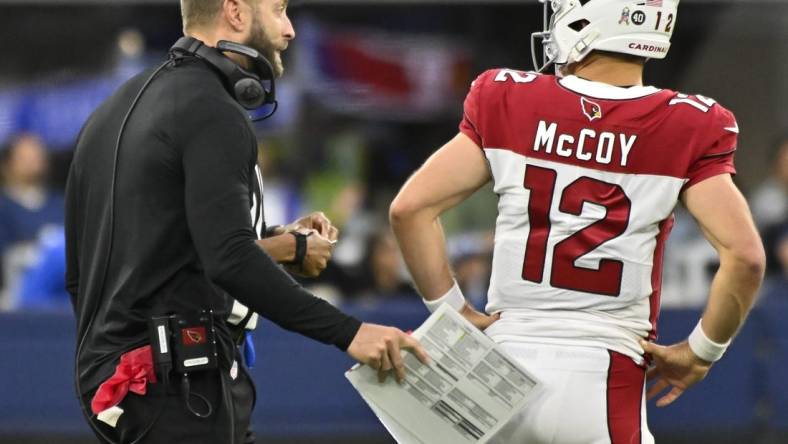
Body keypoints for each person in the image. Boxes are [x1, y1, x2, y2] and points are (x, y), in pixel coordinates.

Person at [389, 1, 765, 443]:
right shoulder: (687, 124)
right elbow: (745, 257)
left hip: (498, 375)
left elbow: (409, 210)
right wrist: (701, 352)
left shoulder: (507, 97)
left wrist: (454, 315)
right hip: (604, 377)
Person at [66, 1, 427, 443]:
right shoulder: (212, 108)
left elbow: (92, 268)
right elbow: (229, 258)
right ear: (235, 12)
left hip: (124, 386)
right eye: (278, 10)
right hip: (177, 387)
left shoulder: (112, 109)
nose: (290, 29)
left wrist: (276, 242)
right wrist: (350, 332)